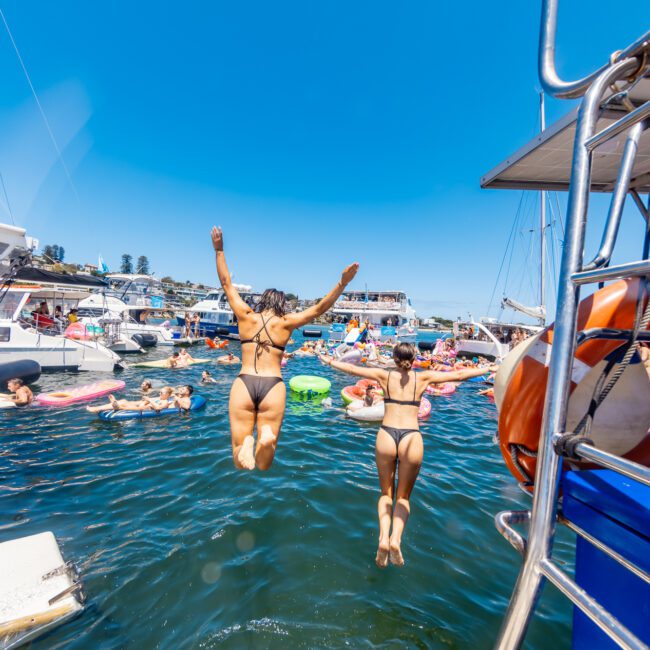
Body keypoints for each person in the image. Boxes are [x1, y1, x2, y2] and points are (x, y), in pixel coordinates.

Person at [321, 342, 496, 568]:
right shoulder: (422, 378)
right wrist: (489, 370)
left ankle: (383, 538)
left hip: (386, 435)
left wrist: (327, 360)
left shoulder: (383, 376)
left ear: (394, 358)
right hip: (411, 437)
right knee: (403, 498)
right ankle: (396, 539)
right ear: (414, 359)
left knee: (386, 494)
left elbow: (352, 369)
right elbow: (460, 374)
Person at [211, 225, 358, 471]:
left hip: (244, 382)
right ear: (282, 305)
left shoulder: (245, 316)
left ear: (262, 301)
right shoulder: (287, 322)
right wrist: (342, 282)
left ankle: (246, 442)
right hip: (273, 386)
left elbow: (226, 283)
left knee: (239, 459)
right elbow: (320, 308)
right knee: (264, 464)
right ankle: (265, 440)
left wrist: (219, 250)